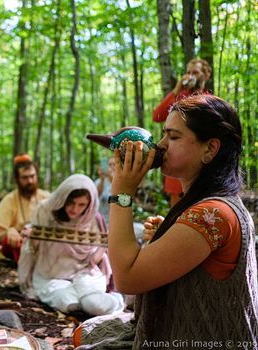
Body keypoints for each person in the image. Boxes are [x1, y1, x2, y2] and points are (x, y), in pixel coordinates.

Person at [106, 95, 257, 346]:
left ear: (210, 149)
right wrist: (166, 237)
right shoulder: (209, 204)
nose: (161, 145)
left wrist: (122, 192)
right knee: (87, 331)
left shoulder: (213, 215)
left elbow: (126, 279)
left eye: (174, 137)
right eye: (164, 134)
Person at [18, 174, 124, 315]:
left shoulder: (93, 219)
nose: (75, 209)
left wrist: (106, 243)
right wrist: (32, 238)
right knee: (70, 304)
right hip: (51, 276)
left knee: (93, 304)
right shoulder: (45, 211)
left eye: (81, 205)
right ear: (62, 198)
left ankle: (117, 300)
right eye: (71, 203)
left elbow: (94, 260)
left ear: (89, 204)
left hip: (85, 274)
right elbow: (33, 250)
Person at [153, 58, 212, 207]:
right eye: (188, 72)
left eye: (195, 72)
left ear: (206, 75)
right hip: (176, 157)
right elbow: (157, 116)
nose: (191, 75)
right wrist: (177, 89)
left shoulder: (210, 101)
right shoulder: (179, 96)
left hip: (200, 165)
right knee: (176, 210)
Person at [0, 154, 49, 262]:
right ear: (17, 179)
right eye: (25, 178)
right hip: (21, 245)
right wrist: (10, 231)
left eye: (32, 176)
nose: (30, 181)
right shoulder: (9, 200)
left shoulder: (47, 198)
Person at [94, 157, 115, 225]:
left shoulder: (122, 183)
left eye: (114, 164)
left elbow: (117, 203)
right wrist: (102, 179)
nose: (112, 167)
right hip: (100, 222)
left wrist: (113, 179)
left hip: (115, 222)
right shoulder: (99, 182)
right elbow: (95, 196)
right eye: (110, 164)